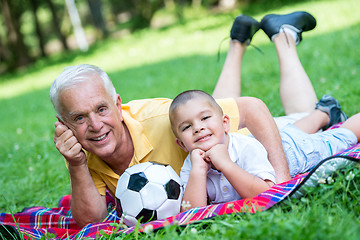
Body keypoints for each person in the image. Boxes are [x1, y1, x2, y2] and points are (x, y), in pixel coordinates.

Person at [50, 11, 319, 227]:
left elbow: (252, 108)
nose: (95, 126)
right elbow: (91, 222)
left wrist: (282, 187)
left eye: (101, 110)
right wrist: (76, 164)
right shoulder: (81, 148)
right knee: (206, 115)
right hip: (214, 141)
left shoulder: (158, 119)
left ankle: (284, 37)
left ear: (118, 105)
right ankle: (238, 42)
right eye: (79, 118)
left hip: (246, 151)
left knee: (304, 118)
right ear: (64, 124)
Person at [169, 90, 359, 210]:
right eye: (186, 127)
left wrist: (225, 164)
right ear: (181, 144)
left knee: (340, 137)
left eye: (205, 118)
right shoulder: (191, 165)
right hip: (279, 140)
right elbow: (190, 211)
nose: (198, 128)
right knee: (291, 132)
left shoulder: (245, 148)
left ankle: (330, 116)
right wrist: (198, 171)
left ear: (225, 123)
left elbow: (265, 193)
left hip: (294, 153)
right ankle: (325, 112)